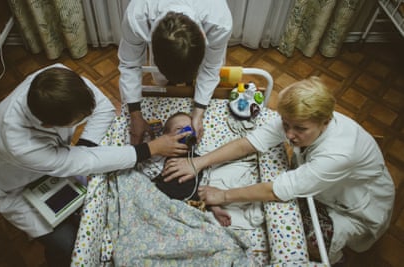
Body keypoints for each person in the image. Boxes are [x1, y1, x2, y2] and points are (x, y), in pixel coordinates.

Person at [162, 76, 395, 264]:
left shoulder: (339, 152)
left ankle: (341, 258)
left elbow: (278, 190)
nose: (289, 135)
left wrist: (222, 195)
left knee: (315, 243)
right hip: (321, 187)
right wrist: (198, 163)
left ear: (325, 122)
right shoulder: (296, 119)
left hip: (354, 206)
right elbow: (249, 143)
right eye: (285, 125)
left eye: (300, 129)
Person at [0, 64, 190, 267]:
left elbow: (103, 109)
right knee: (68, 246)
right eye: (78, 121)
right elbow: (85, 161)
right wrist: (151, 149)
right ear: (48, 125)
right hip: (16, 186)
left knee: (87, 207)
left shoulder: (58, 77)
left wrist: (83, 148)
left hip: (60, 165)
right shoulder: (18, 143)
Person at [118, 0, 232, 145]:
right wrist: (135, 116)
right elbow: (130, 65)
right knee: (161, 81)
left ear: (204, 38)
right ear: (152, 44)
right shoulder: (136, 16)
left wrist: (198, 112)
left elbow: (210, 68)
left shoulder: (219, 22)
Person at [142, 112, 263, 229]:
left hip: (189, 206)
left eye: (190, 129)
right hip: (164, 203)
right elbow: (145, 171)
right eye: (179, 128)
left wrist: (215, 208)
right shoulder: (161, 157)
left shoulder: (196, 158)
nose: (186, 132)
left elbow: (201, 190)